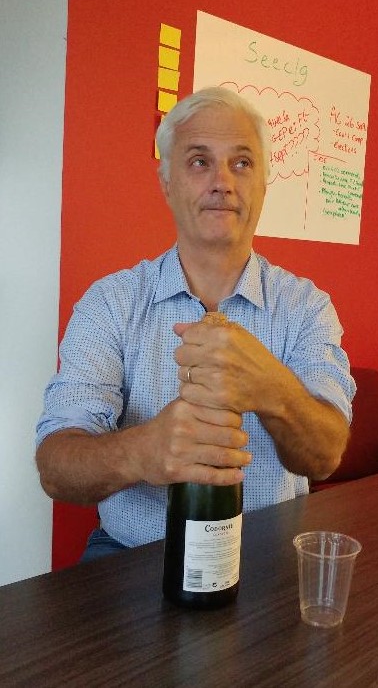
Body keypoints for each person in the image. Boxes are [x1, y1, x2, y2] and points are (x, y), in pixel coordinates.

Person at [35, 86, 354, 560]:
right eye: (199, 162)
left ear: (263, 186)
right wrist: (140, 452)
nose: (222, 182)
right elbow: (55, 468)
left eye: (241, 163)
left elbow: (326, 456)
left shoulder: (307, 307)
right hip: (132, 552)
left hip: (266, 556)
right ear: (167, 182)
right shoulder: (110, 303)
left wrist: (271, 389)